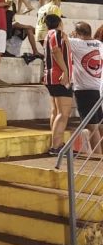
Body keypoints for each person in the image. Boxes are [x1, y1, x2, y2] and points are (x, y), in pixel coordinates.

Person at [69, 21, 103, 152]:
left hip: (84, 89)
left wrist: (72, 37)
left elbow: (60, 41)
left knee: (91, 126)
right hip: (97, 88)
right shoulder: (99, 44)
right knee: (100, 124)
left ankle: (98, 157)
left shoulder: (76, 43)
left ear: (78, 33)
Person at [44, 14, 74, 158]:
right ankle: (56, 146)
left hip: (51, 76)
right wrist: (65, 71)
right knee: (63, 113)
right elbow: (56, 51)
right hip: (59, 76)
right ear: (60, 23)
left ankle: (58, 144)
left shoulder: (48, 34)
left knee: (56, 111)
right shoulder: (57, 33)